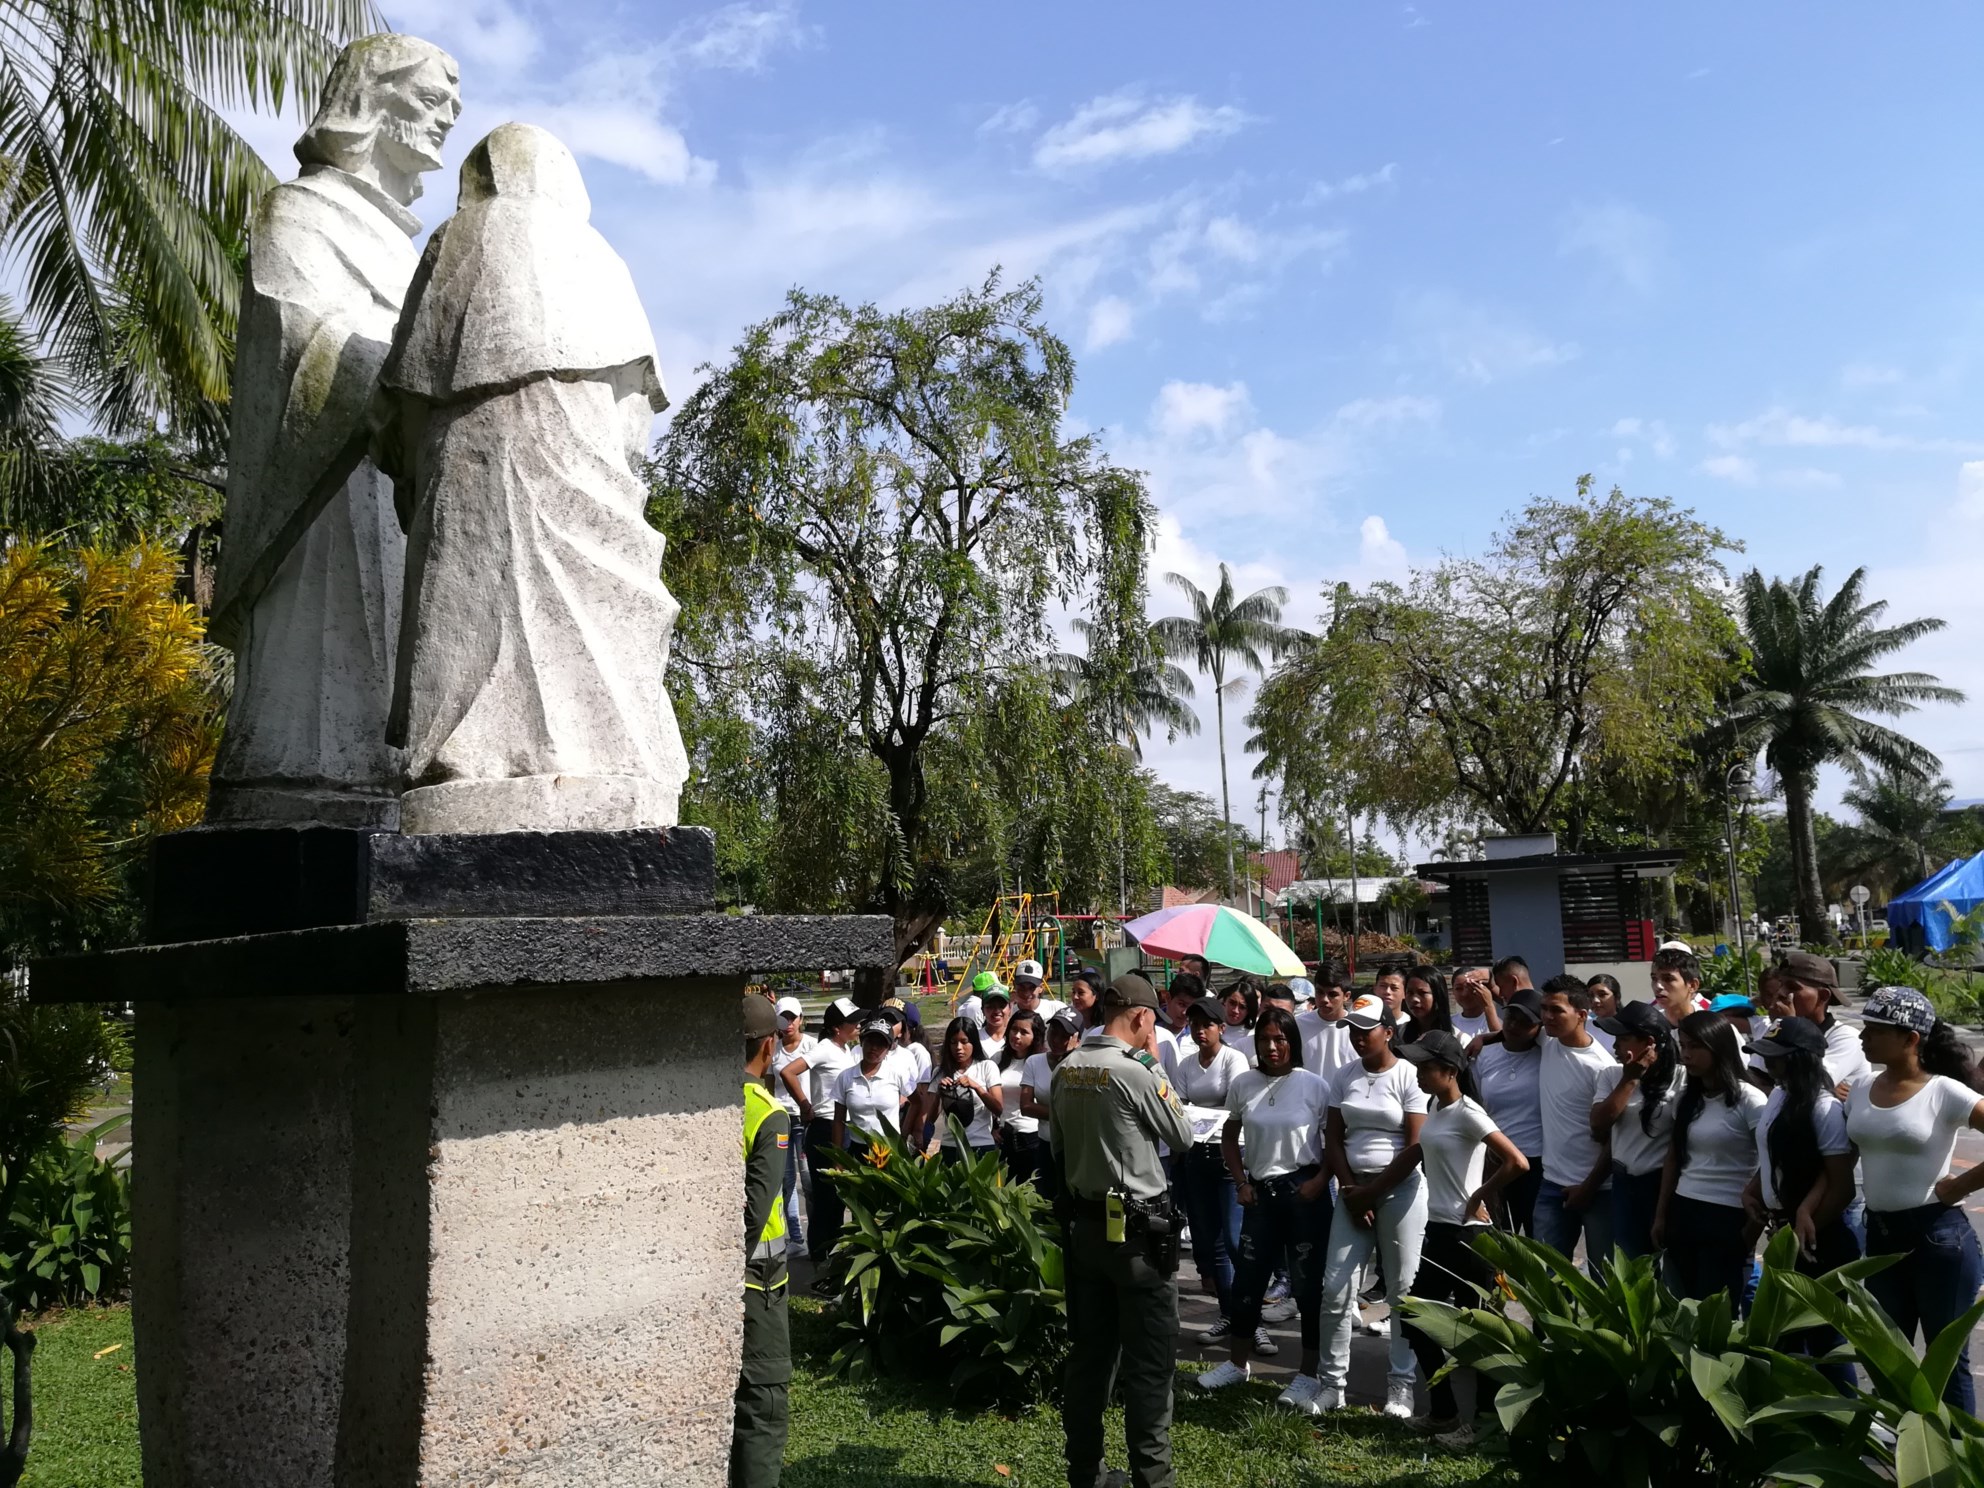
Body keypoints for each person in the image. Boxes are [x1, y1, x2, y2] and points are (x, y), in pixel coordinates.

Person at [1049, 974, 1194, 1488]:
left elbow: (1058, 1149)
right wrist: (1152, 1060)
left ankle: (1085, 1472)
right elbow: (1182, 1136)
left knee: (1089, 1358)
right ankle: (1153, 1479)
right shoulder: (1137, 1071)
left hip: (1085, 1231)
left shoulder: (1066, 1068)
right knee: (1150, 1362)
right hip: (1138, 1236)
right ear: (1140, 1017)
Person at [1844, 985, 1984, 1412]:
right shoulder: (1863, 1086)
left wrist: (1960, 1185)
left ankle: (1959, 1461)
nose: (1863, 1038)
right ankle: (1900, 1453)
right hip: (1882, 1237)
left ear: (1911, 1039)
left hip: (1937, 1237)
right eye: (1864, 1028)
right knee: (1889, 1355)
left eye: (1875, 1030)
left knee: (1945, 1361)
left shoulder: (1944, 1091)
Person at [1396, 1030, 1529, 1447]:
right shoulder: (1436, 1106)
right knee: (1415, 1320)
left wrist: (1479, 1195)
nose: (1418, 1074)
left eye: (1425, 1067)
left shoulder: (1469, 1112)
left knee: (1481, 1333)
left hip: (1470, 1238)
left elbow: (1517, 1162)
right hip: (1440, 1232)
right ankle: (1443, 1413)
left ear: (1449, 1071)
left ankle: (1486, 1425)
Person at [1196, 1006, 1332, 1408]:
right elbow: (1229, 1133)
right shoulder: (1244, 1083)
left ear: (1293, 1041)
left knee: (1308, 1287)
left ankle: (1308, 1374)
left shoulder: (1313, 1085)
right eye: (1264, 1040)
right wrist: (1240, 1181)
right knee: (1248, 1281)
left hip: (1305, 1192)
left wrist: (1320, 1181)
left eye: (1280, 1039)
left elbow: (1335, 1142)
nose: (1272, 1048)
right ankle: (1237, 1364)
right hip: (1260, 1193)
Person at [1317, 994, 1430, 1419]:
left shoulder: (1409, 1075)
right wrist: (1351, 1189)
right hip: (1352, 1191)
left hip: (1400, 1189)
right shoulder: (1343, 1075)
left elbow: (1415, 1147)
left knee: (1402, 1292)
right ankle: (1332, 1385)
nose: (1359, 1037)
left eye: (1367, 1030)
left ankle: (1400, 1387)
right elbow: (1333, 1136)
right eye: (1353, 1030)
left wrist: (1371, 1192)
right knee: (1335, 1288)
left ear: (1389, 1030)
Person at [1742, 1017, 1859, 1390]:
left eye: (1776, 1058)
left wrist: (1803, 1226)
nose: (1767, 1065)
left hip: (1818, 1240)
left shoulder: (1825, 1109)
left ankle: (1846, 1423)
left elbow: (1842, 1186)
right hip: (1786, 1232)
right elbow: (1770, 1153)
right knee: (1785, 1338)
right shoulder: (1780, 1094)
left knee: (1824, 1338)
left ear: (1801, 1060)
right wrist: (1753, 1189)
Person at [1653, 1011, 1765, 1303]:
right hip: (1685, 1210)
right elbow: (1674, 1159)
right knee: (1685, 1306)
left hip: (1729, 1216)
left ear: (1717, 1047)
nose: (1686, 1055)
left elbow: (1771, 1162)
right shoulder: (1686, 1099)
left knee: (1718, 1315)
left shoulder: (1750, 1100)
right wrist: (1662, 1215)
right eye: (1683, 1046)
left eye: (1694, 1047)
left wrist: (1751, 1231)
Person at [733, 995, 791, 1487]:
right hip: (759, 1283)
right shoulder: (767, 1112)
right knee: (764, 1405)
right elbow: (756, 1213)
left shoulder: (702, 1100)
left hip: (711, 1276)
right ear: (769, 1046)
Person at [1171, 997, 1252, 1345]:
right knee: (1211, 1241)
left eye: (1208, 1024)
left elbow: (1235, 1106)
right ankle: (1228, 1314)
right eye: (1195, 1024)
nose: (1200, 1031)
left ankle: (1251, 1317)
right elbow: (1179, 1104)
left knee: (1235, 1239)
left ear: (1222, 1027)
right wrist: (1199, 1113)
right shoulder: (1187, 1063)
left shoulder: (1235, 1059)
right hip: (1196, 1155)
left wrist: (1200, 1112)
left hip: (1229, 1155)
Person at [1532, 976, 1617, 1270]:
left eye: (1556, 1010)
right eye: (1544, 1009)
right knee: (1547, 1282)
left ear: (1582, 1015)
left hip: (1600, 1191)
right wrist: (1483, 1038)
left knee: (1604, 1283)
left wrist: (1588, 1187)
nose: (1546, 1017)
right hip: (1552, 1184)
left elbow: (1615, 1139)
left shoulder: (1603, 1068)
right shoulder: (1546, 1041)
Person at [778, 996, 861, 1287]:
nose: (857, 1025)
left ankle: (831, 1266)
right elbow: (788, 1071)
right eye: (853, 1022)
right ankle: (821, 1265)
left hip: (842, 1127)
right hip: (825, 1127)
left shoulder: (845, 1048)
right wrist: (804, 1103)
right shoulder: (825, 1048)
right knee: (827, 1202)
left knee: (837, 1201)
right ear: (838, 1027)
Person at [1589, 1001, 1679, 1259]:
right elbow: (1598, 1123)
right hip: (1624, 1185)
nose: (1616, 1046)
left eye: (1624, 1038)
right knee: (1631, 1265)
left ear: (1649, 1042)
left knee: (1667, 1265)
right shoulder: (1612, 1075)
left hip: (1662, 1185)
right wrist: (1631, 1078)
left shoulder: (1680, 1078)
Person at [1471, 988, 1545, 1234]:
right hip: (1497, 1160)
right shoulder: (1484, 1055)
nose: (1515, 1026)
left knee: (1538, 1241)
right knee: (1498, 1236)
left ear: (1539, 1028)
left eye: (1526, 1022)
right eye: (1511, 1017)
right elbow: (1477, 1106)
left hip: (1538, 1162)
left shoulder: (1548, 1054)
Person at [768, 996, 817, 1257]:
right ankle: (795, 1238)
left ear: (801, 1019)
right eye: (783, 1018)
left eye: (793, 1018)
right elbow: (768, 1085)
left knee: (807, 1178)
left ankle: (816, 1236)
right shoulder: (773, 1048)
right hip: (781, 1119)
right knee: (786, 1181)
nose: (788, 1024)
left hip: (805, 1118)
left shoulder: (812, 1045)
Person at [831, 1016, 913, 1158]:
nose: (874, 1048)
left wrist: (905, 1132)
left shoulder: (897, 1074)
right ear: (861, 1042)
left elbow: (917, 1102)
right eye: (870, 1042)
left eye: (880, 1044)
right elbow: (838, 1120)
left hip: (890, 1150)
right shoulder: (845, 1077)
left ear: (888, 1048)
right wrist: (838, 1158)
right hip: (858, 1149)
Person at [1025, 1008, 1082, 1206]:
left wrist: (1071, 1057)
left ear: (1077, 1039)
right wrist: (1062, 1115)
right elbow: (1026, 1106)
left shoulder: (1083, 1067)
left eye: (1065, 1036)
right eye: (1053, 1033)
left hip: (1075, 1149)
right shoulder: (1034, 1062)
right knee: (1045, 1203)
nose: (1057, 1040)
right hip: (1045, 1145)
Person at [932, 1016, 1003, 1161]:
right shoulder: (940, 1072)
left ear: (974, 1043)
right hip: (950, 1145)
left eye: (964, 1042)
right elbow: (930, 1118)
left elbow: (998, 1108)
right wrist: (939, 1094)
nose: (958, 1048)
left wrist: (976, 1087)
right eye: (953, 1042)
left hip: (981, 1144)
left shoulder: (987, 1067)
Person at [998, 1010, 1049, 1184]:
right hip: (1003, 1137)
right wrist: (993, 1126)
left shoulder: (1041, 1062)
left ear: (1035, 1036)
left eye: (1024, 1032)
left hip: (1031, 1138)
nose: (1017, 1036)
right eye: (1013, 1029)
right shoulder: (998, 1059)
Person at [1650, 945, 1706, 1027]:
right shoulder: (1644, 1025)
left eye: (1668, 979)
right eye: (1654, 978)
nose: (1658, 986)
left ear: (1693, 985)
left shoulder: (1713, 1024)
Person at [1400, 967, 1454, 1044]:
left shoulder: (1458, 1037)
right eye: (1410, 993)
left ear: (1437, 995)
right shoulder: (1399, 1034)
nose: (1414, 999)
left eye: (1422, 993)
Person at [1449, 967, 1499, 1042]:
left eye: (1470, 987)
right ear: (1453, 991)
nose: (1465, 994)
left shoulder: (1493, 1022)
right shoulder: (1449, 1022)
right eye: (1459, 988)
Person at [1013, 958, 1068, 1025]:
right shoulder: (1008, 1014)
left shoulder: (1057, 1010)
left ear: (1041, 987)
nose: (1026, 993)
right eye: (1022, 987)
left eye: (1032, 988)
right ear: (1014, 985)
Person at [1220, 981, 1260, 1067]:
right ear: (1224, 1001)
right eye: (1232, 1003)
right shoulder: (1210, 1026)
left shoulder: (1255, 1033)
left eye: (1242, 1007)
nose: (1235, 1010)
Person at [1584, 975, 1622, 1055]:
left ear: (1617, 998)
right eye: (1590, 996)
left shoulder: (1628, 1027)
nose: (1595, 1000)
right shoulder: (1584, 1026)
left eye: (1602, 995)